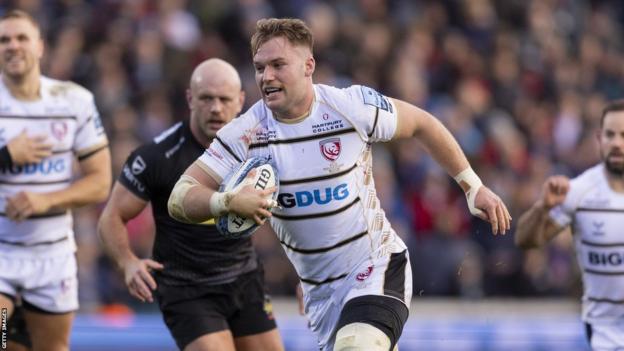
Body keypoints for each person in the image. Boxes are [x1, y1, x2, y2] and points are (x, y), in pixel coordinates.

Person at [168, 18, 511, 351]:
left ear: (308, 66)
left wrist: (472, 185)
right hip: (321, 296)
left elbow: (422, 123)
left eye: (277, 65)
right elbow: (180, 197)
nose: (266, 77)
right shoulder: (246, 133)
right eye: (259, 68)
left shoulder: (350, 107)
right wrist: (225, 202)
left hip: (376, 266)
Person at [97, 58, 284, 351]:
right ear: (189, 99)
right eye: (206, 98)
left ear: (241, 100)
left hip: (245, 277)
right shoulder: (157, 156)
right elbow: (111, 217)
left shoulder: (258, 146)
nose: (216, 108)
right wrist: (127, 263)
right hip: (187, 288)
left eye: (224, 99)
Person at [0, 9, 112, 351]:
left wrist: (44, 201)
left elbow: (100, 182)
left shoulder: (74, 100)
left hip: (52, 255)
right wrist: (6, 157)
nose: (13, 46)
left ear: (40, 47)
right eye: (4, 40)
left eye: (22, 38)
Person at [516, 100, 624, 350]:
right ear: (599, 138)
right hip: (606, 336)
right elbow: (526, 239)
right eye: (610, 135)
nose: (617, 143)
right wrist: (542, 207)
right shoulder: (580, 191)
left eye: (623, 135)